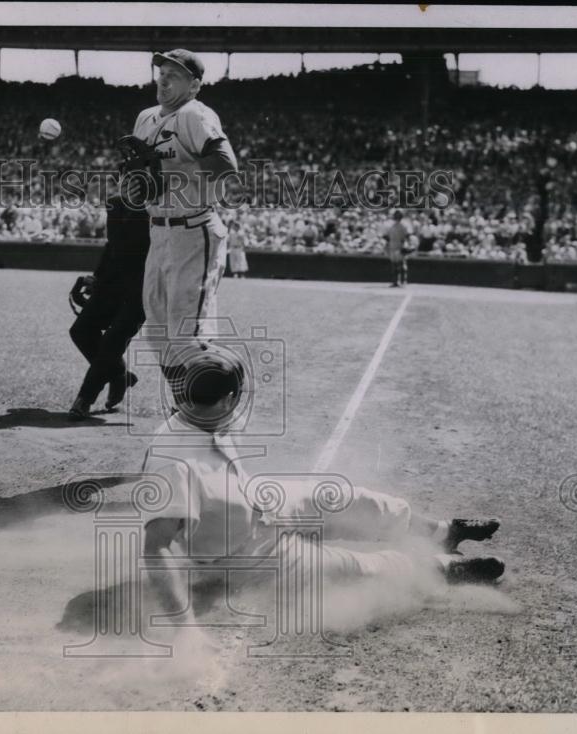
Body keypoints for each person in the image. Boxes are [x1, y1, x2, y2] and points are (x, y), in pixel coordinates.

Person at [140, 350, 505, 633]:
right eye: (237, 398)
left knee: (347, 499)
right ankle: (443, 568)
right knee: (358, 568)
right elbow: (155, 546)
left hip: (258, 502)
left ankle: (443, 532)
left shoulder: (201, 413)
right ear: (225, 400)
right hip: (245, 554)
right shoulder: (176, 463)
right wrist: (186, 630)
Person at [128, 49, 239, 404]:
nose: (163, 78)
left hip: (194, 229)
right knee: (157, 333)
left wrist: (170, 175)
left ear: (193, 85)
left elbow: (225, 164)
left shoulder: (195, 113)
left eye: (173, 74)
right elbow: (143, 179)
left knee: (187, 334)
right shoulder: (145, 117)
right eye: (161, 71)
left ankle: (222, 404)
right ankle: (186, 404)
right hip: (158, 231)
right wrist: (135, 187)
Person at [67, 195, 150, 420]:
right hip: (111, 280)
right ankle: (119, 375)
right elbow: (112, 244)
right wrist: (96, 276)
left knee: (113, 340)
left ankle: (84, 398)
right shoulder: (116, 202)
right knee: (80, 331)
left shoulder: (162, 205)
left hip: (143, 284)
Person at [385, 210, 410, 287]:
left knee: (401, 264)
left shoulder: (404, 225)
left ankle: (403, 281)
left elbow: (407, 236)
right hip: (393, 246)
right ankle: (396, 281)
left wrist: (405, 245)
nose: (397, 217)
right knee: (394, 264)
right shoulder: (391, 226)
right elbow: (388, 237)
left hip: (400, 246)